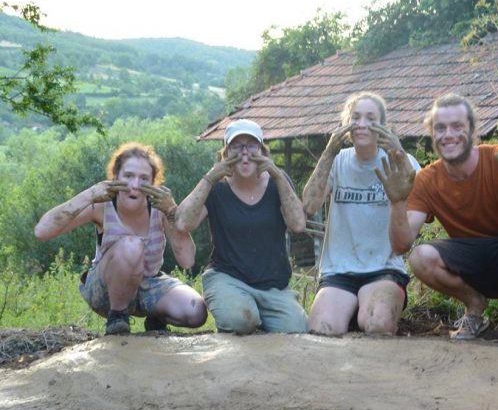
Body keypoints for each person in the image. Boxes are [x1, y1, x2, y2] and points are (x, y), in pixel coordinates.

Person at [376, 93, 498, 346]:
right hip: (467, 260)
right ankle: (474, 306)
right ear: (432, 134)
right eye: (440, 128)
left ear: (473, 131)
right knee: (420, 257)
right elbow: (400, 246)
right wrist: (397, 203)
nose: (448, 134)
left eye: (457, 126)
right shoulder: (426, 179)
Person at [34, 142, 208, 335]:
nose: (135, 185)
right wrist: (89, 195)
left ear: (153, 183)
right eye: (128, 176)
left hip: (148, 284)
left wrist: (172, 212)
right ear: (115, 177)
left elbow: (187, 260)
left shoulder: (160, 208)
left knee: (196, 311)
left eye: (144, 179)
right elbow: (42, 231)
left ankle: (156, 318)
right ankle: (117, 318)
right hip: (105, 290)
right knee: (131, 246)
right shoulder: (103, 205)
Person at [174, 119, 308, 335]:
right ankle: (242, 312)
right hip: (227, 277)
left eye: (251, 146)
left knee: (296, 329)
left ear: (262, 151)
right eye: (236, 146)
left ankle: (263, 315)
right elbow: (182, 223)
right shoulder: (216, 187)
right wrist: (210, 177)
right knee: (241, 320)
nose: (244, 153)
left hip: (273, 285)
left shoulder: (278, 182)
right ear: (226, 153)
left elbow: (298, 224)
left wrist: (277, 175)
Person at [303, 92, 421, 335]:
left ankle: (366, 312)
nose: (362, 124)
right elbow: (309, 205)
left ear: (383, 126)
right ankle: (350, 312)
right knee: (321, 329)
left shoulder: (403, 161)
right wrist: (328, 152)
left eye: (371, 118)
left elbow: (418, 203)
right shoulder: (337, 162)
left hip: (384, 270)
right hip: (339, 270)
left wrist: (398, 154)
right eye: (355, 118)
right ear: (346, 124)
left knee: (378, 324)